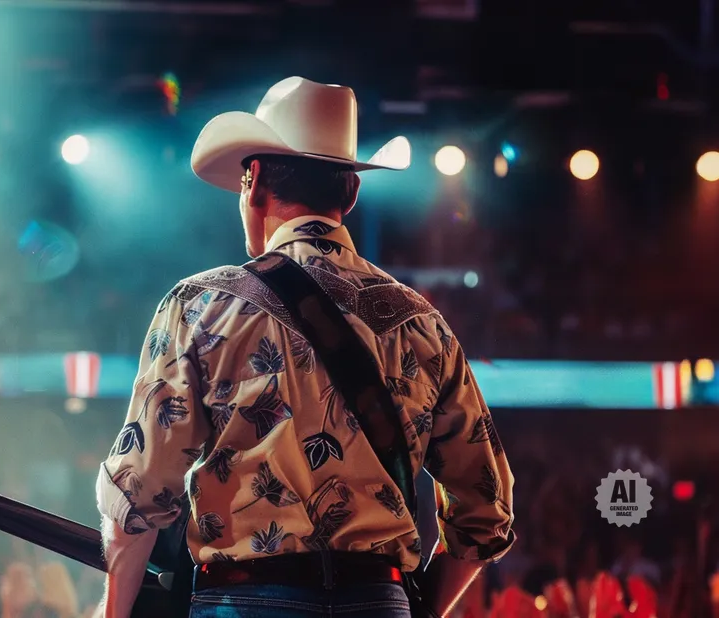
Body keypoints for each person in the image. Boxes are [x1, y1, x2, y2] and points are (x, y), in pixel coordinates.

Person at [94, 77, 515, 617]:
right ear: (352, 192)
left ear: (255, 180)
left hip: (246, 600)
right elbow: (488, 511)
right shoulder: (423, 322)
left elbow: (140, 492)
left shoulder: (200, 305)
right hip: (381, 601)